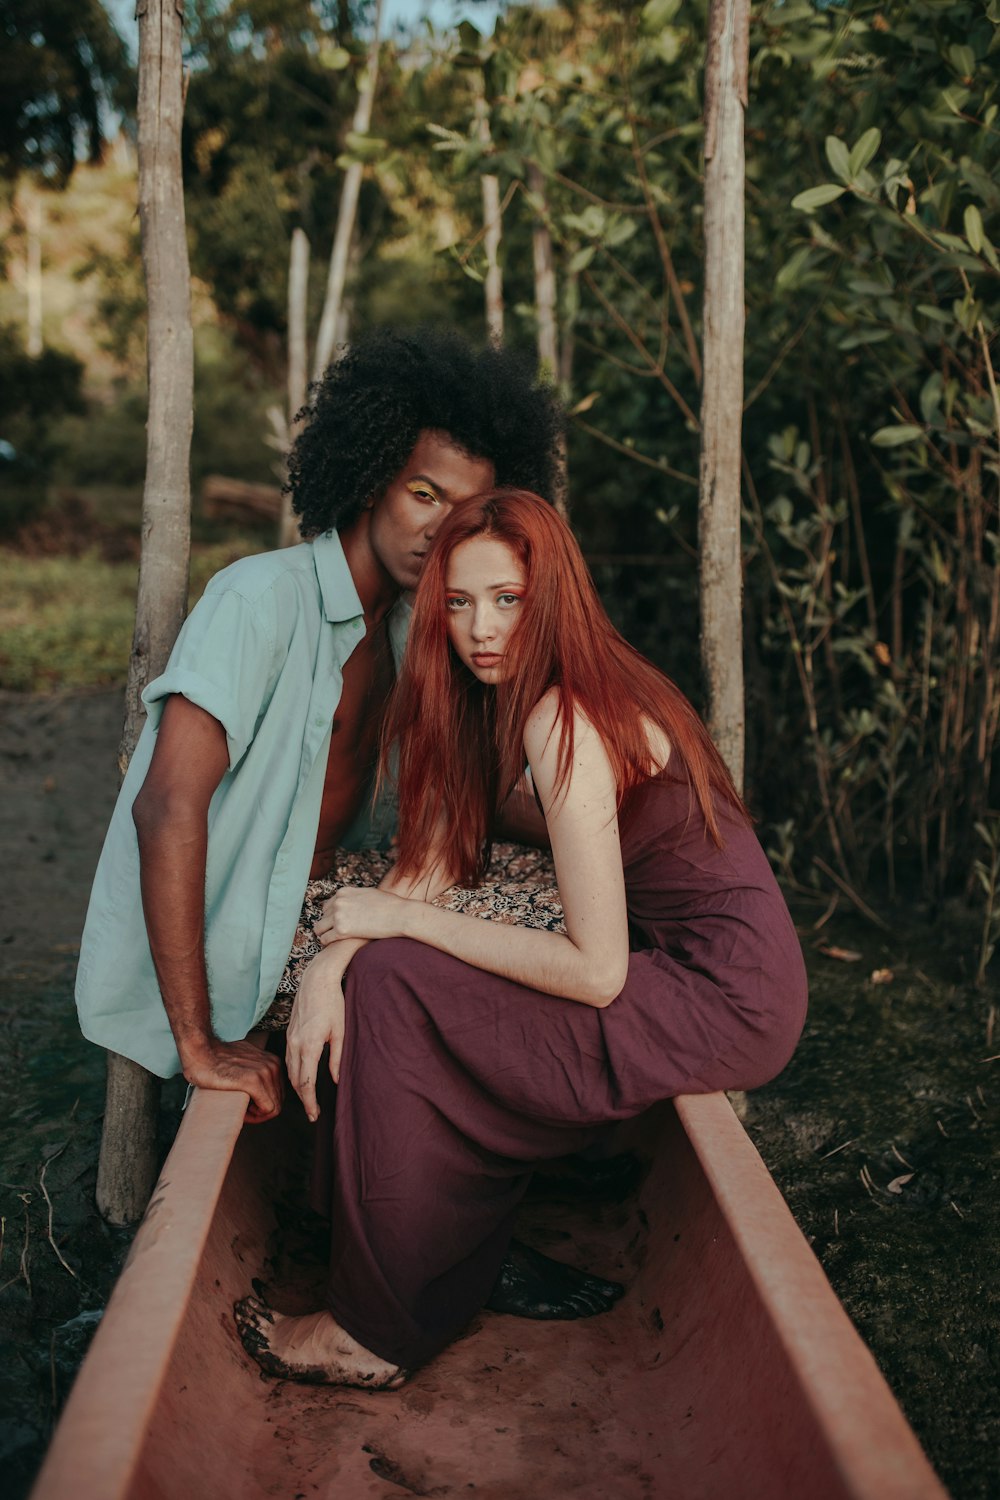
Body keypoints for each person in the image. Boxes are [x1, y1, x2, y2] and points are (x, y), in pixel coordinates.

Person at [235, 489, 809, 1389]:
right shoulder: (496, 701)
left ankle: (374, 1332)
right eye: (459, 603)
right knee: (370, 968)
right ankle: (423, 1234)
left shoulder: (568, 716)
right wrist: (330, 961)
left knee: (395, 985)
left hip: (720, 996)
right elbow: (426, 862)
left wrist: (392, 932)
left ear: (555, 598)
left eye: (509, 599)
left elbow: (595, 970)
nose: (480, 629)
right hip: (679, 971)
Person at [75, 329, 562, 1121]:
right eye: (424, 494)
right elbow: (165, 807)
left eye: (465, 510)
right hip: (247, 936)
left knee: (574, 894)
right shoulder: (260, 601)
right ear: (372, 479)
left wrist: (628, 833)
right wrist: (198, 1047)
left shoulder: (411, 631)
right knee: (551, 935)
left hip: (337, 895)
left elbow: (480, 794)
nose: (442, 529)